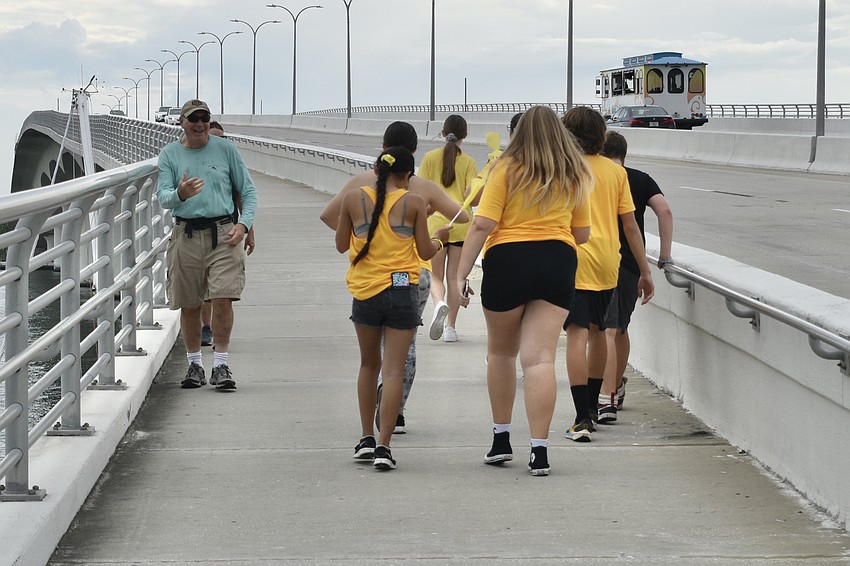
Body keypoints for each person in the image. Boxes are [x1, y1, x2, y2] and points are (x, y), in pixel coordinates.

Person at [455, 106, 593, 476]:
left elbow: (483, 223)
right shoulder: (575, 172)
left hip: (508, 260)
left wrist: (460, 274)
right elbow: (582, 234)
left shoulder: (505, 168)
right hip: (557, 260)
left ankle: (501, 440)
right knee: (540, 360)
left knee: (501, 354)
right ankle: (540, 450)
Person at [320, 121, 468, 434]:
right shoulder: (420, 189)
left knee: (370, 360)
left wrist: (365, 235)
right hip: (413, 276)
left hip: (369, 280)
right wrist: (425, 222)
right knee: (403, 354)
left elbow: (328, 217)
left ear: (383, 147)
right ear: (412, 154)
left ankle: (370, 430)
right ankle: (395, 413)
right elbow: (463, 216)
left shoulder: (360, 183)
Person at [335, 146, 451, 470]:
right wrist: (440, 238)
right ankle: (384, 446)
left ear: (375, 169)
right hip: (401, 289)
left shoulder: (352, 199)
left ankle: (365, 439)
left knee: (368, 365)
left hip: (365, 291)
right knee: (394, 370)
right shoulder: (414, 202)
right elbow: (425, 249)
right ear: (408, 176)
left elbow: (341, 244)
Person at [560, 106, 654, 442]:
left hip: (571, 257)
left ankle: (580, 416)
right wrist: (645, 271)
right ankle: (594, 408)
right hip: (607, 262)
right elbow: (630, 226)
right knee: (600, 331)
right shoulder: (617, 174)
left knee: (576, 334)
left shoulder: (564, 170)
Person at [156, 99, 258, 391]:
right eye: (193, 118)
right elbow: (163, 196)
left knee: (223, 297)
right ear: (182, 123)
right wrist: (180, 193)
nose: (199, 124)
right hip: (186, 234)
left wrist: (244, 225)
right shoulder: (169, 155)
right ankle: (194, 365)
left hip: (224, 232)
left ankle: (221, 364)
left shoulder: (225, 149)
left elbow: (247, 191)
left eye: (204, 118)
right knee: (190, 303)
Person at [599, 130, 673, 420]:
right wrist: (663, 257)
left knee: (604, 328)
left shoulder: (598, 177)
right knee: (619, 328)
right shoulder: (639, 178)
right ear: (624, 154)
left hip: (599, 260)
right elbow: (664, 211)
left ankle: (607, 395)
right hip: (630, 265)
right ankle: (614, 386)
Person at [419, 115, 479, 343]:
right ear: (465, 136)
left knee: (436, 275)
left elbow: (421, 192)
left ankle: (438, 305)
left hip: (435, 224)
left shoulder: (429, 158)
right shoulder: (469, 163)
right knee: (456, 277)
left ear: (443, 133)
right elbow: (470, 198)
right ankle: (451, 328)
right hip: (461, 224)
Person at [200, 121, 256, 347]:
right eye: (214, 138)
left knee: (222, 291)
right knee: (204, 289)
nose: (219, 142)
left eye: (223, 138)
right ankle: (206, 327)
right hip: (199, 233)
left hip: (228, 230)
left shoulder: (230, 163)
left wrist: (248, 231)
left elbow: (243, 198)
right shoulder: (196, 162)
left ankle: (220, 345)